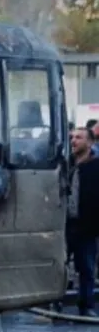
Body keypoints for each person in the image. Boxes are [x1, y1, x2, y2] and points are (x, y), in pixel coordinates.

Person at [68, 127, 99, 317]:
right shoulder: (66, 165)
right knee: (59, 264)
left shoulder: (95, 167)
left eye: (79, 138)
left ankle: (86, 305)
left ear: (90, 142)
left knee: (86, 267)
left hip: (87, 225)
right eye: (72, 137)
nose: (73, 141)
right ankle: (53, 301)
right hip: (65, 224)